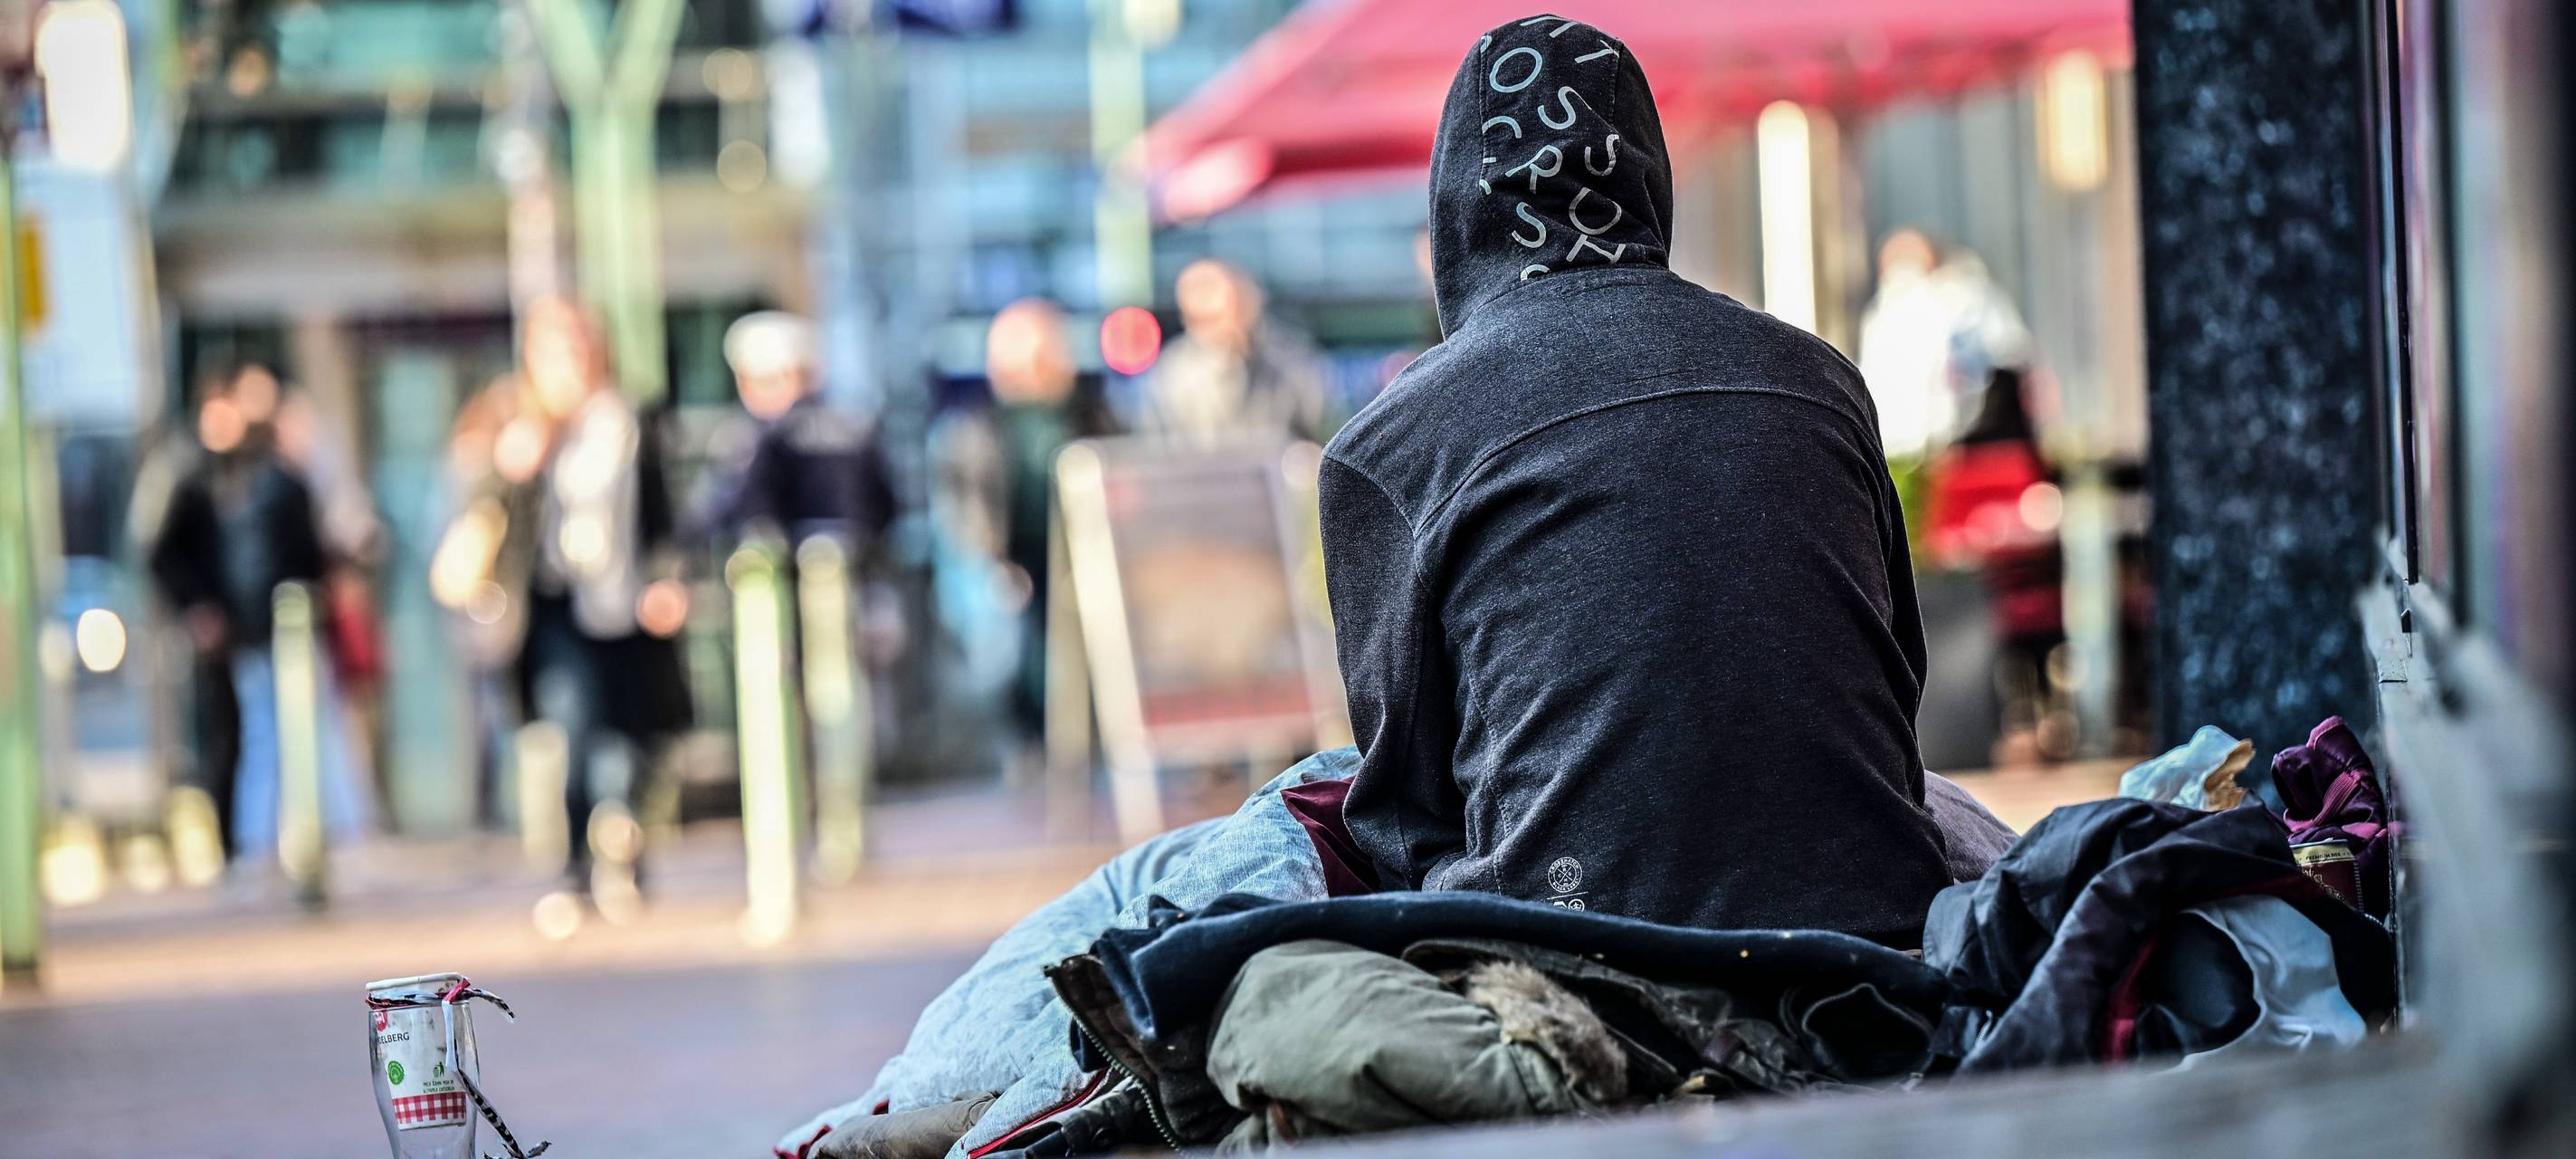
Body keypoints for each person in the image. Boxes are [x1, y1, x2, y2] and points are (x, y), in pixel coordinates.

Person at [1316, 16, 1951, 943]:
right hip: (1876, 920)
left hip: (1578, 938)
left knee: (1290, 814)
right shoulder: (1816, 379)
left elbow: (1401, 819)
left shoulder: (1392, 442)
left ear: (1454, 205)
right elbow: (1891, 688)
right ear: (1647, 179)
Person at [489, 297, 692, 910]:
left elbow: (661, 510)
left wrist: (667, 578)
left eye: (577, 347)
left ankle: (625, 856)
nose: (569, 363)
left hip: (625, 602)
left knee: (629, 736)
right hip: (556, 604)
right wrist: (513, 469)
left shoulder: (630, 420)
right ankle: (575, 868)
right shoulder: (525, 427)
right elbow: (497, 517)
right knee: (572, 730)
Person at [146, 366, 369, 866]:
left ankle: (298, 839)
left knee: (293, 732)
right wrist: (198, 607)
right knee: (246, 737)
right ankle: (250, 844)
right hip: (239, 631)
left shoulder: (274, 475)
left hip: (273, 626)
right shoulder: (197, 477)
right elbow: (164, 553)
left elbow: (307, 549)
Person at [693, 311, 896, 551]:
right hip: (855, 573)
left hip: (777, 575)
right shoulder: (855, 427)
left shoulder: (751, 439)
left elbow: (714, 516)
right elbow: (886, 509)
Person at [1144, 258, 1331, 445]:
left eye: (1222, 314)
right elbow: (1158, 449)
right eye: (1204, 319)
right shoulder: (1173, 373)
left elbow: (1324, 434)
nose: (1219, 330)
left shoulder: (1294, 362)